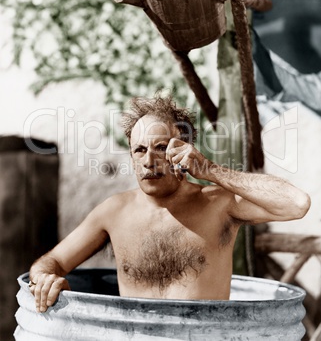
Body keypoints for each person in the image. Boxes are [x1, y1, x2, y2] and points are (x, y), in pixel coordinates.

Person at [29, 95, 310, 313]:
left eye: (161, 147)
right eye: (140, 150)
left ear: (183, 150)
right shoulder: (114, 211)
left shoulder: (218, 203)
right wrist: (45, 279)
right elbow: (51, 262)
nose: (149, 161)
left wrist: (211, 170)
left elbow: (297, 204)